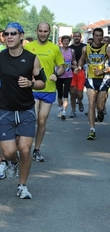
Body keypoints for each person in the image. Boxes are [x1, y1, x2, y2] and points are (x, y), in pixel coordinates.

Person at [0, 22, 46, 198]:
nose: (9, 37)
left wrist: (31, 83)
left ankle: (22, 185)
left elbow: (42, 82)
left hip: (26, 109)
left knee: (25, 149)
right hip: (6, 109)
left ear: (21, 36)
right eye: (6, 34)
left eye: (13, 33)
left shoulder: (31, 58)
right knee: (8, 152)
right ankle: (13, 162)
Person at [24, 22, 65, 162]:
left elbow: (61, 67)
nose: (43, 33)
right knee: (32, 118)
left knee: (42, 121)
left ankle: (37, 150)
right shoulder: (28, 47)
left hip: (49, 89)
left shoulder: (54, 48)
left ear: (49, 32)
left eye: (45, 31)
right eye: (40, 31)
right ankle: (25, 149)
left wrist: (57, 74)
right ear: (36, 31)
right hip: (33, 88)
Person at [75, 27, 110, 140]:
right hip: (90, 78)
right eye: (97, 35)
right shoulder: (86, 48)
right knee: (91, 103)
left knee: (99, 106)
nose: (99, 38)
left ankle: (100, 112)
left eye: (101, 36)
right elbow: (82, 59)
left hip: (104, 79)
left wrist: (102, 71)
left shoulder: (107, 49)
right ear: (93, 36)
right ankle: (92, 130)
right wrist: (79, 67)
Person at [56, 35, 76, 120]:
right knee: (59, 93)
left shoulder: (72, 51)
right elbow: (54, 60)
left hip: (68, 75)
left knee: (66, 93)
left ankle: (64, 111)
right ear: (62, 41)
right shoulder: (58, 50)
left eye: (67, 41)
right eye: (65, 41)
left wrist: (75, 64)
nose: (66, 43)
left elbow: (73, 60)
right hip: (59, 74)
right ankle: (60, 108)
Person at [69, 31, 86, 117]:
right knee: (72, 92)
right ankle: (73, 110)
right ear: (73, 37)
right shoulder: (69, 48)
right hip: (71, 72)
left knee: (80, 94)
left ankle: (79, 101)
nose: (76, 38)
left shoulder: (85, 47)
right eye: (75, 36)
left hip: (81, 71)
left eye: (78, 36)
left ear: (80, 37)